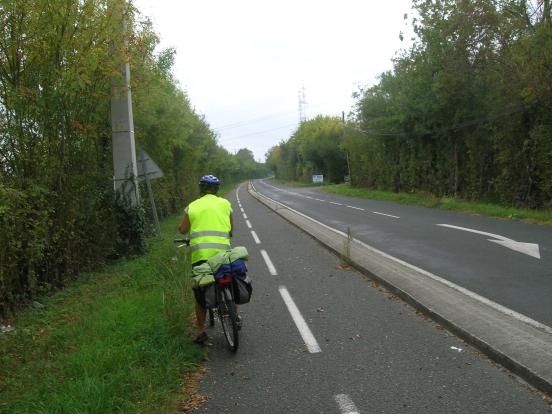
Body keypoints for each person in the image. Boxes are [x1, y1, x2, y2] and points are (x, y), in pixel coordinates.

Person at [179, 174, 233, 344]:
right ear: (217, 190)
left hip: (201, 257)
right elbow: (231, 228)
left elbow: (182, 229)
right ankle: (235, 316)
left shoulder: (192, 207)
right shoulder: (225, 204)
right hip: (223, 254)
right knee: (231, 280)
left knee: (200, 294)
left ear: (201, 189)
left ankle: (200, 332)